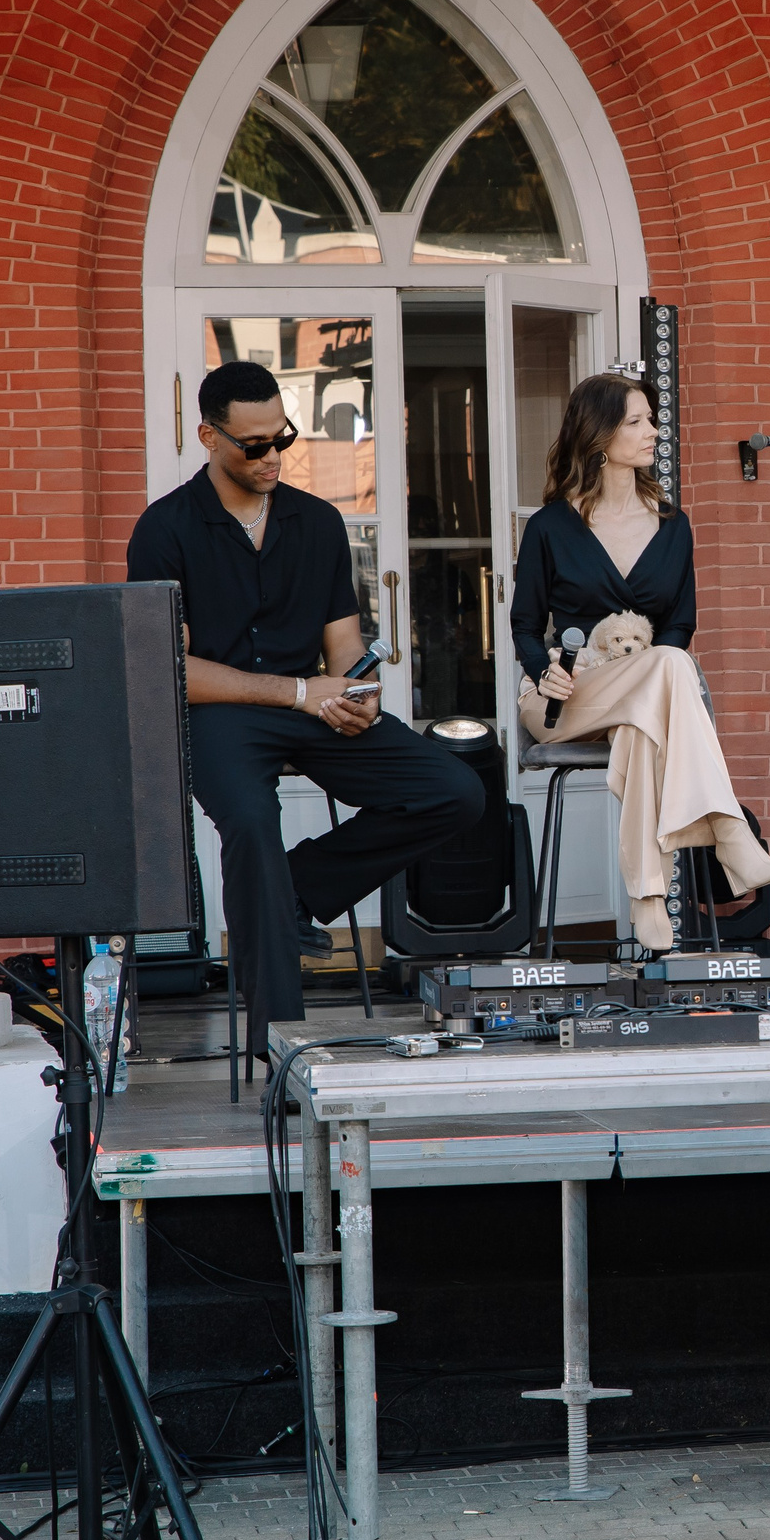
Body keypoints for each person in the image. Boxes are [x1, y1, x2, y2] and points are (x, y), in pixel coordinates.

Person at [128, 360, 484, 1050]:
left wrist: (358, 692)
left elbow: (344, 646)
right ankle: (280, 1042)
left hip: (313, 708)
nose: (272, 456)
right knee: (254, 824)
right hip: (220, 712)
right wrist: (298, 692)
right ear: (209, 436)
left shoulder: (318, 522)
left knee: (453, 790)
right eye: (253, 444)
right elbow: (169, 669)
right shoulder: (164, 528)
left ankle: (292, 891)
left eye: (281, 438)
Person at [511, 373, 770, 949]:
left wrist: (659, 664)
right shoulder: (549, 527)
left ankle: (647, 897)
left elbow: (681, 624)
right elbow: (524, 625)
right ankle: (727, 829)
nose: (652, 432)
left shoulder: (672, 525)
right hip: (565, 700)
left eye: (650, 419)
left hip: (640, 700)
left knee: (649, 711)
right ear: (599, 435)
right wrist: (545, 670)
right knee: (668, 668)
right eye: (635, 421)